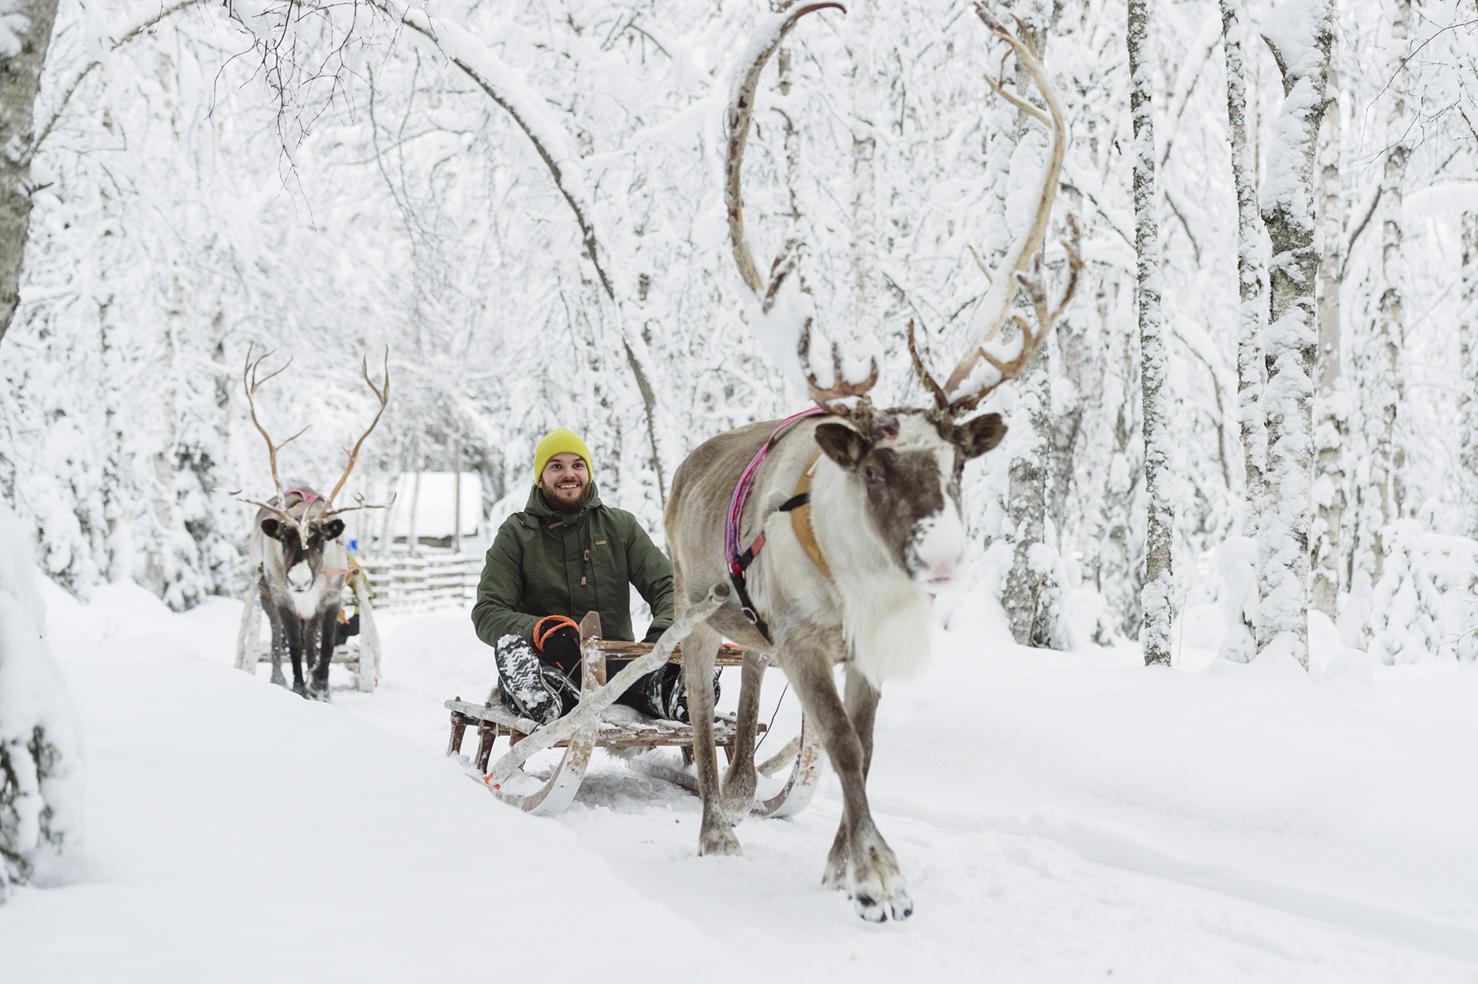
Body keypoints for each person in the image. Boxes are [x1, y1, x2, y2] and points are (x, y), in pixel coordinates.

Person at [471, 428, 713, 725]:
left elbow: (671, 587)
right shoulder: (517, 534)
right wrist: (540, 630)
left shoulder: (620, 527)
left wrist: (664, 630)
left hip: (618, 664)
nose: (568, 474)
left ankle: (681, 693)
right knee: (539, 677)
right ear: (540, 477)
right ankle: (541, 695)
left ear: (588, 471)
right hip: (551, 662)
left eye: (577, 465)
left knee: (647, 679)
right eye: (556, 466)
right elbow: (488, 612)